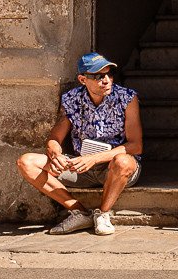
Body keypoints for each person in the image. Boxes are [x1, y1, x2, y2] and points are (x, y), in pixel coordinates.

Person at [16, 53, 143, 235]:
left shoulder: (127, 98)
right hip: (81, 166)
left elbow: (135, 146)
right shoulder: (72, 99)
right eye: (99, 76)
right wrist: (55, 154)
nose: (106, 80)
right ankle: (79, 212)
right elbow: (55, 138)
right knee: (26, 162)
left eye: (109, 74)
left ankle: (103, 213)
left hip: (114, 168)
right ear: (83, 79)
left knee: (123, 161)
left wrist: (94, 158)